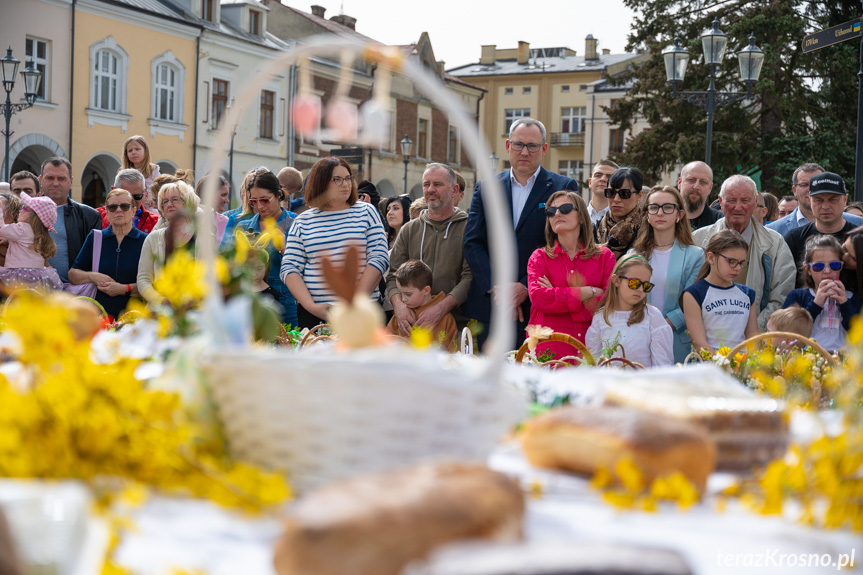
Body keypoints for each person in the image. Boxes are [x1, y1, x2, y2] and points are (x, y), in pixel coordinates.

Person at [463, 117, 579, 350]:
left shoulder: (562, 187)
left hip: (540, 304)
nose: (524, 151)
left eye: (532, 145)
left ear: (544, 149)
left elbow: (565, 244)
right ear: (508, 146)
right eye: (518, 144)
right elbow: (472, 242)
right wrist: (499, 287)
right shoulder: (486, 188)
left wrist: (526, 286)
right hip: (493, 304)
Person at [281, 156, 388, 328]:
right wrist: (312, 306)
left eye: (347, 178)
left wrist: (355, 303)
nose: (345, 184)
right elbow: (290, 267)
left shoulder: (367, 212)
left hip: (362, 312)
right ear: (320, 183)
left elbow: (379, 257)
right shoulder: (303, 222)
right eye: (337, 180)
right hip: (315, 316)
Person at [693, 174, 795, 329]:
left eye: (745, 201)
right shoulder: (698, 240)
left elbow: (782, 297)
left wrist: (753, 332)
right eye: (731, 200)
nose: (738, 207)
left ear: (755, 203)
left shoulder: (775, 244)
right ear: (721, 202)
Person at [527, 191, 615, 361]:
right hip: (549, 352)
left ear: (582, 216)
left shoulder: (604, 256)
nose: (557, 214)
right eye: (551, 212)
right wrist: (589, 291)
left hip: (593, 350)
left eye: (565, 209)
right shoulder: (539, 257)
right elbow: (539, 298)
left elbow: (607, 302)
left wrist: (557, 294)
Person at [386, 164, 472, 337]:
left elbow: (470, 276)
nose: (430, 189)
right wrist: (399, 306)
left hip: (454, 325)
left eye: (438, 184)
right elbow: (392, 275)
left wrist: (441, 307)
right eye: (426, 184)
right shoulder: (409, 230)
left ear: (455, 190)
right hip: (411, 326)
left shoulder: (469, 229)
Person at [630, 185, 705, 363]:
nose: (660, 213)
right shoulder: (633, 256)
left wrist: (663, 326)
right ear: (647, 214)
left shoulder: (695, 255)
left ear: (679, 214)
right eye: (654, 207)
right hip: (639, 340)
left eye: (668, 207)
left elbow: (694, 301)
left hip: (678, 341)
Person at [222, 168, 297, 327]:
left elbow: (303, 270)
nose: (259, 206)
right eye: (253, 201)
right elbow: (226, 267)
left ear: (278, 195)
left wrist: (284, 248)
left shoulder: (295, 223)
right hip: (250, 304)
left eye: (264, 200)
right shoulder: (242, 226)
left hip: (286, 304)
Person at [69, 188, 147, 319]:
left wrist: (124, 289)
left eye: (124, 206)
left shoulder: (145, 240)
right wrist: (93, 276)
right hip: (99, 317)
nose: (118, 210)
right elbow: (73, 274)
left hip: (133, 318)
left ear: (133, 210)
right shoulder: (95, 237)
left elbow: (152, 284)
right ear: (106, 212)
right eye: (112, 207)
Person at [585, 254, 673, 367]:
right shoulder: (601, 318)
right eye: (634, 283)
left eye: (646, 286)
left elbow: (662, 365)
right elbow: (593, 363)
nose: (640, 289)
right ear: (616, 281)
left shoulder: (652, 316)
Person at [683, 230, 759, 353]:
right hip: (710, 366)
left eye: (741, 263)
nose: (738, 268)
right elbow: (699, 343)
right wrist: (725, 365)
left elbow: (753, 339)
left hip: (742, 365)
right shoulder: (694, 294)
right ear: (711, 257)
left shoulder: (748, 294)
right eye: (731, 261)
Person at [783, 235, 859, 353]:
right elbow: (786, 334)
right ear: (808, 270)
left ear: (841, 267)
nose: (827, 271)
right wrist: (815, 304)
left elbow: (858, 334)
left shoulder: (853, 298)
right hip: (807, 358)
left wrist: (845, 304)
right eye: (819, 266)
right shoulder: (797, 296)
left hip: (845, 360)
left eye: (834, 265)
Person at [39, 157, 102, 285]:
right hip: (33, 292)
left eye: (61, 179)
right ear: (41, 180)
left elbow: (96, 260)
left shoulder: (90, 216)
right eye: (50, 178)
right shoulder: (25, 213)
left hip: (74, 292)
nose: (55, 183)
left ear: (71, 182)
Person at [137, 181, 200, 305]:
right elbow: (143, 279)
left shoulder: (204, 238)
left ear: (188, 203)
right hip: (160, 311)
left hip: (195, 309)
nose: (169, 204)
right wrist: (160, 300)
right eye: (165, 202)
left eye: (175, 199)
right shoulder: (153, 238)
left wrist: (187, 301)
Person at [784, 172, 857, 275]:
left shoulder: (858, 239)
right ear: (810, 201)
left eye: (833, 200)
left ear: (845, 200)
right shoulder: (794, 239)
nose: (825, 206)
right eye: (819, 200)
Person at [767, 163, 863, 235]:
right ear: (794, 190)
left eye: (817, 185)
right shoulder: (773, 230)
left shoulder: (858, 223)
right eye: (804, 184)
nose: (810, 190)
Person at [386, 259, 458, 351]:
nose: (403, 299)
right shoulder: (400, 316)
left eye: (408, 294)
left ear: (426, 290)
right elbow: (384, 346)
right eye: (401, 293)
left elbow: (452, 356)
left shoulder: (446, 319)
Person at [0, 192, 62, 290]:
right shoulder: (38, 233)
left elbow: (2, 229)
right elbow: (24, 244)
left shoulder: (21, 229)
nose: (21, 210)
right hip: (37, 276)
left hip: (19, 275)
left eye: (25, 208)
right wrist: (8, 240)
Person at [595, 166, 644, 260]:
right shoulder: (594, 229)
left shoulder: (647, 230)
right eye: (611, 192)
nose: (616, 199)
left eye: (624, 193)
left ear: (639, 195)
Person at [96, 169, 159, 233]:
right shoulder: (95, 217)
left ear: (145, 195)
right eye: (125, 196)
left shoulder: (156, 222)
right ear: (113, 191)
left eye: (136, 197)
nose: (131, 201)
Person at [679, 161, 722, 230]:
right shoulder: (664, 218)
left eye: (703, 182)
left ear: (710, 188)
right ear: (679, 183)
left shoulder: (720, 224)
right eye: (691, 180)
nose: (696, 186)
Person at [586, 159, 619, 224]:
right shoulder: (577, 216)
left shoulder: (623, 219)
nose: (603, 179)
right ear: (590, 182)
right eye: (598, 175)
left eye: (609, 177)